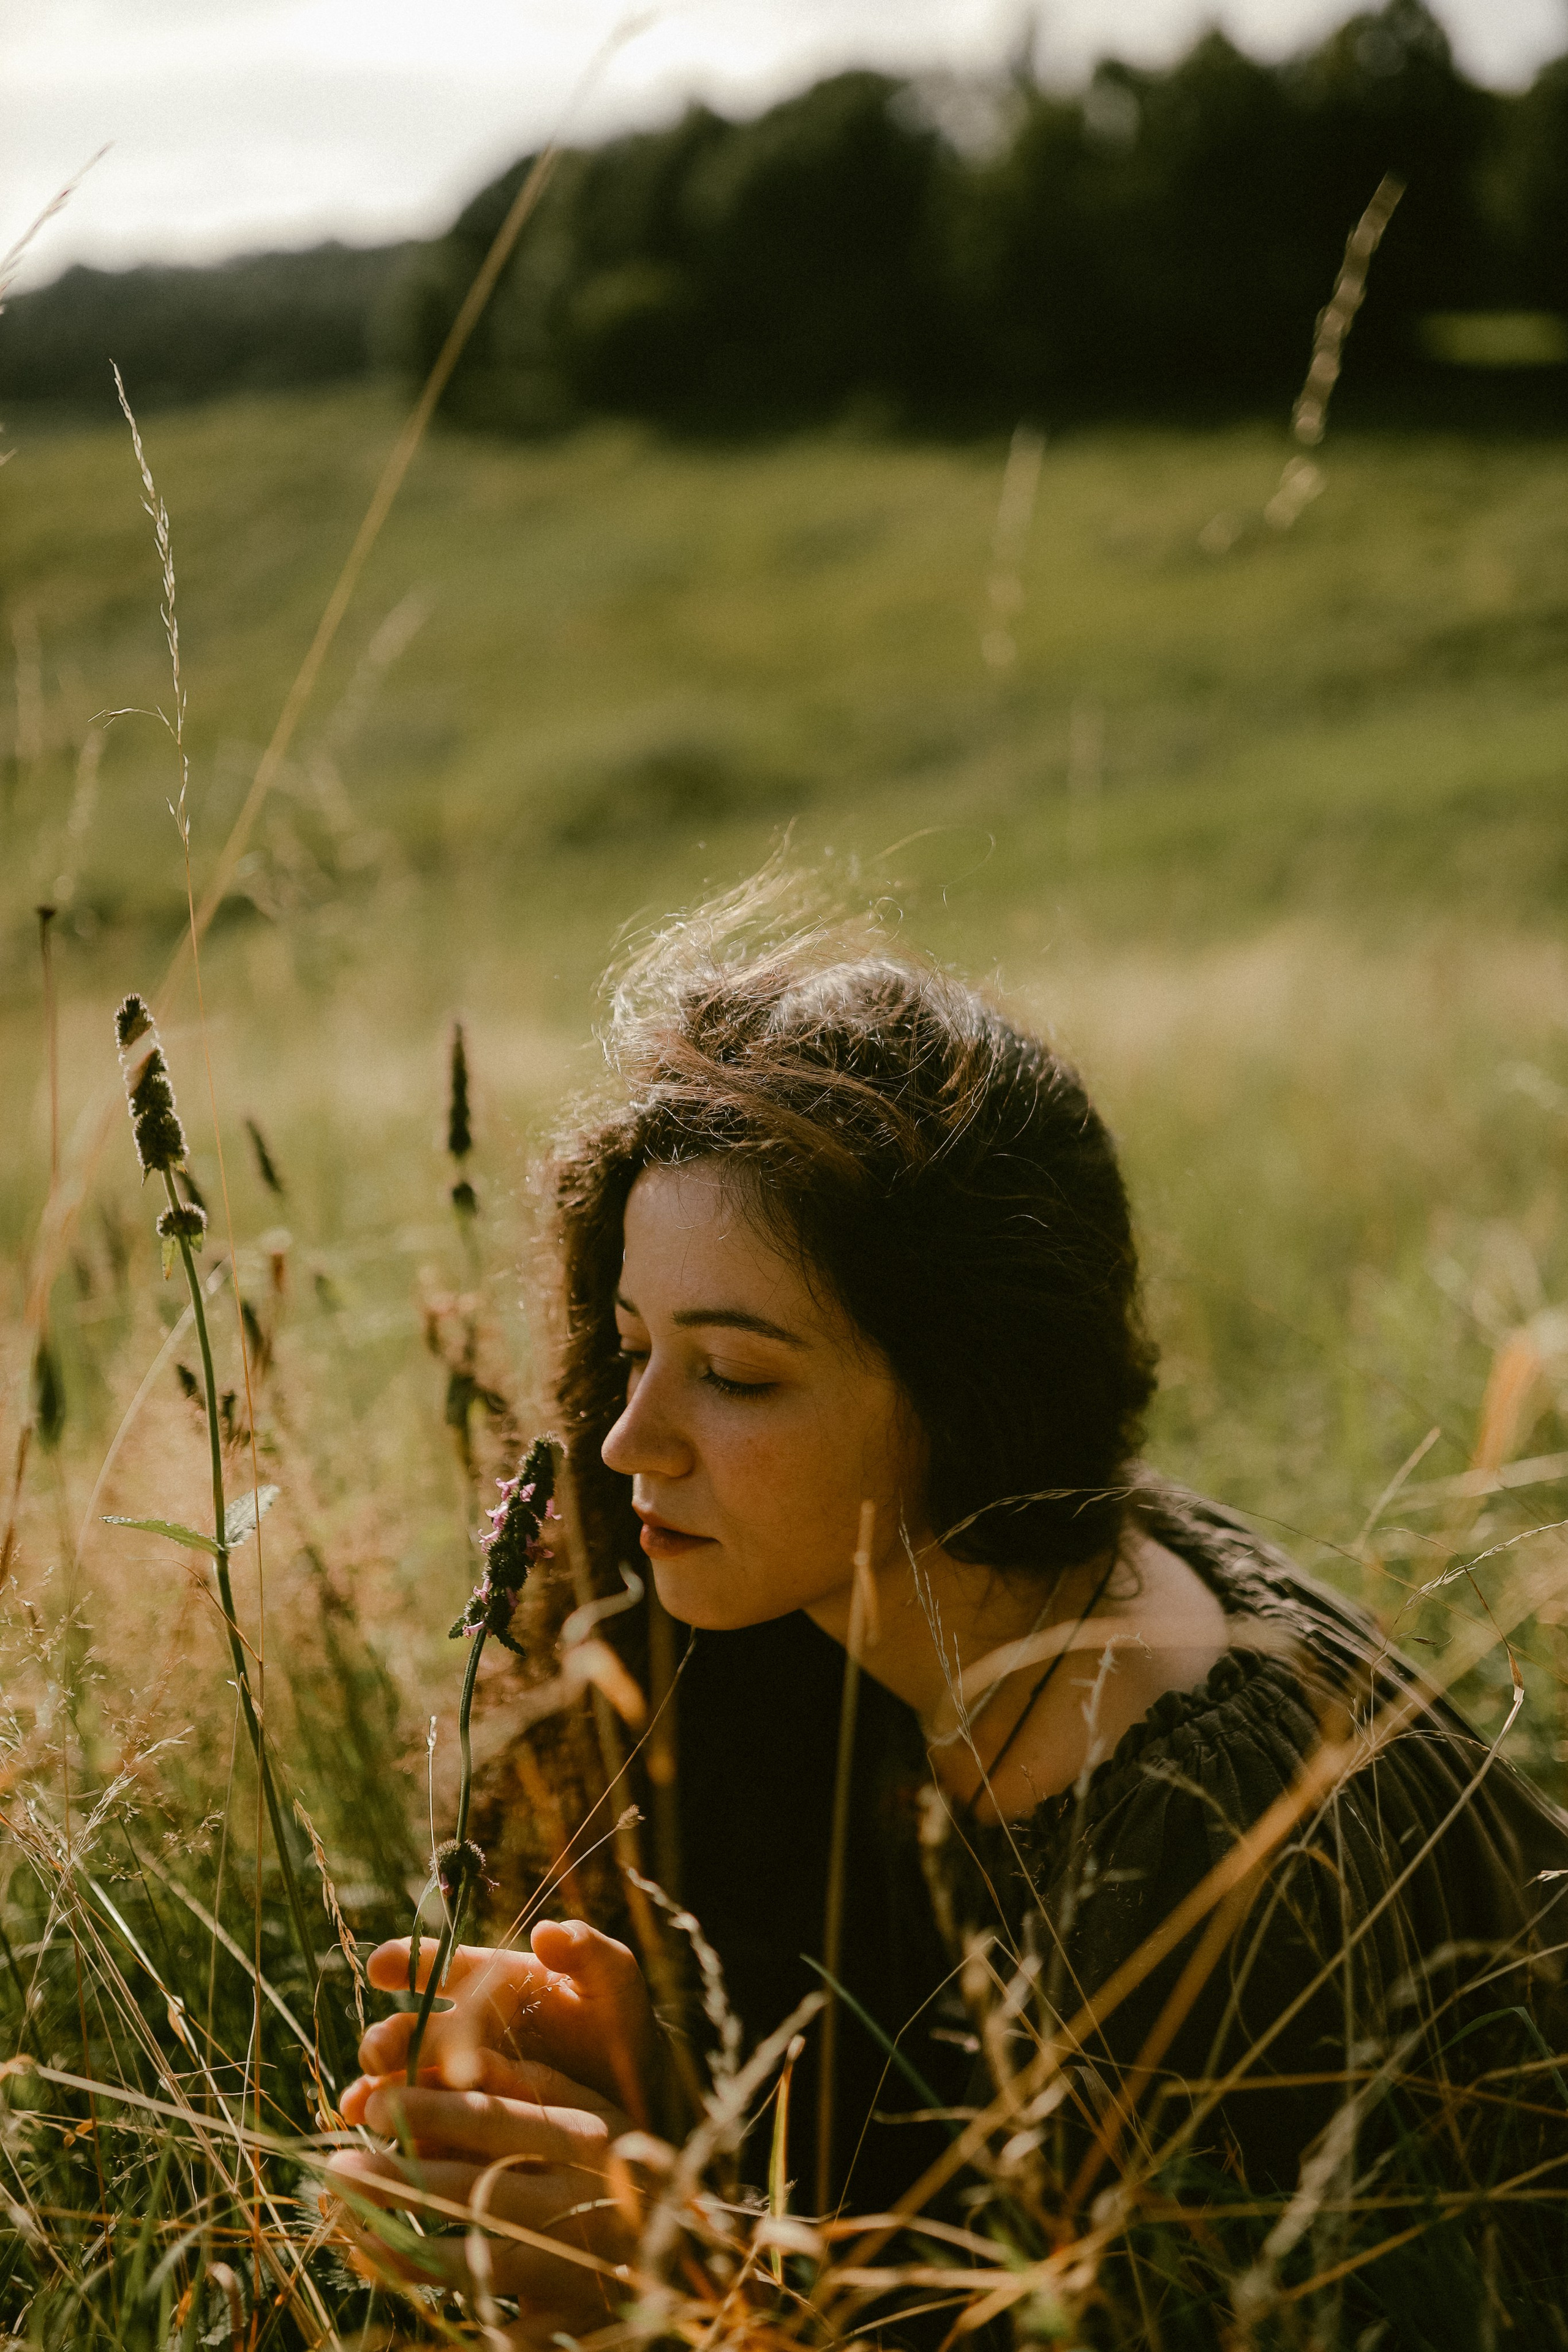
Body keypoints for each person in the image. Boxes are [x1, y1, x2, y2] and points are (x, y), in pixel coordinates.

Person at [330, 901, 1568, 2346]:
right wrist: (682, 2101)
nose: (626, 1439)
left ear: (962, 1394)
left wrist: (702, 2288)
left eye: (733, 1374)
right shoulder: (910, 1628)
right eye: (630, 1348)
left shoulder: (1202, 1840)